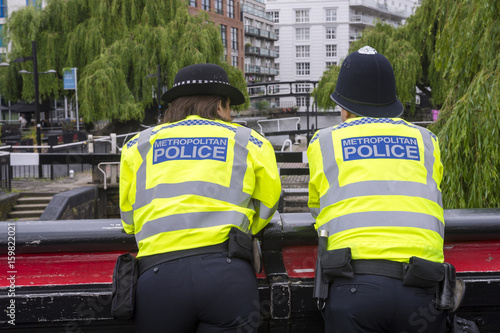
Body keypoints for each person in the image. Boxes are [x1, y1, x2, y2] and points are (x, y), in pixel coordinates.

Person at [119, 63, 281, 332]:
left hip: (159, 277)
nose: (231, 115)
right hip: (228, 275)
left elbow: (129, 219)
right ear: (219, 106)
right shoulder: (249, 141)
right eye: (229, 108)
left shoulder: (138, 144)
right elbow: (267, 204)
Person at [307, 46, 447, 332]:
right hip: (423, 287)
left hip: (354, 288)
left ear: (343, 108)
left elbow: (317, 207)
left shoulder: (324, 141)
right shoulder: (426, 140)